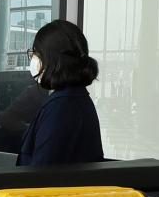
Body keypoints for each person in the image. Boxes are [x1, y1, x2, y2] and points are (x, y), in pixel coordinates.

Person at [16, 20, 104, 167]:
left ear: (52, 59)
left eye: (37, 53)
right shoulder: (78, 99)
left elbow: (41, 174)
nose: (33, 59)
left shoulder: (59, 108)